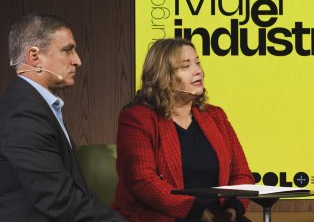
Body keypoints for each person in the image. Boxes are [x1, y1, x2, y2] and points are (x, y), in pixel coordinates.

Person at [0, 13, 126, 221]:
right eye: (67, 51)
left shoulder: (36, 106)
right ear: (35, 57)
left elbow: (76, 192)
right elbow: (59, 200)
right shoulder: (23, 115)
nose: (77, 61)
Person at [112, 38, 254, 221]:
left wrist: (234, 209)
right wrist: (198, 212)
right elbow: (143, 180)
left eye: (198, 63)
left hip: (220, 216)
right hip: (165, 216)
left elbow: (242, 174)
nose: (198, 71)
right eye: (185, 66)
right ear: (163, 76)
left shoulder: (215, 115)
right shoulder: (138, 118)